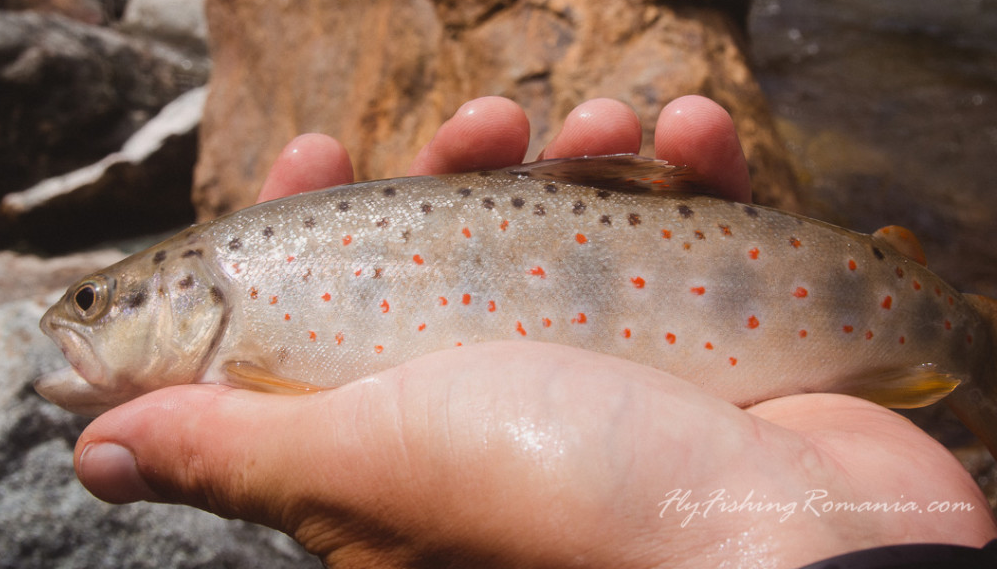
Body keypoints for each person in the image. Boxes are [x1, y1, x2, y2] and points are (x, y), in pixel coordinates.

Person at [73, 96, 997, 568]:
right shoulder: (243, 278)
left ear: (188, 293)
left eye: (96, 305)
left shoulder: (246, 328)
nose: (75, 323)